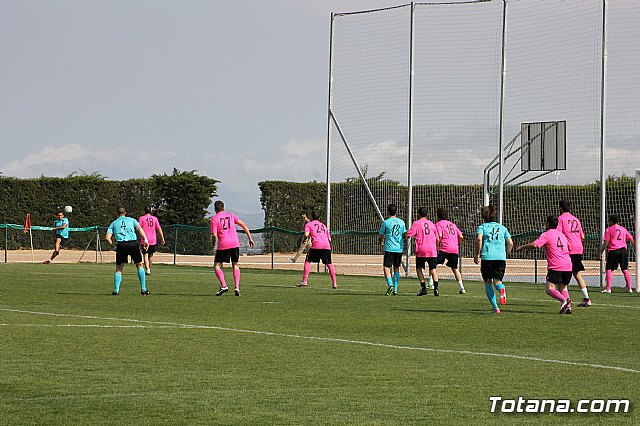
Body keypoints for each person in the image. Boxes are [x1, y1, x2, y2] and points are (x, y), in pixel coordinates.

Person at [516, 215, 573, 314]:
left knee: (550, 289)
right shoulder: (562, 235)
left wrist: (522, 247)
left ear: (547, 224)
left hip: (556, 266)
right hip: (568, 265)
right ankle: (568, 307)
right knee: (563, 287)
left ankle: (564, 301)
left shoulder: (547, 234)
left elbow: (535, 245)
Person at [210, 200, 255, 296]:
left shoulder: (214, 219)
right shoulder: (230, 215)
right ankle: (237, 287)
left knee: (217, 265)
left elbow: (214, 235)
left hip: (223, 244)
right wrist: (250, 238)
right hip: (235, 243)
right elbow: (244, 225)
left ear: (215, 209)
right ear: (223, 208)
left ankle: (223, 285)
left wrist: (213, 244)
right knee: (235, 264)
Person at [474, 205, 513, 314]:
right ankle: (501, 289)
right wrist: (507, 253)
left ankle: (495, 308)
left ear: (483, 217)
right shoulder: (502, 228)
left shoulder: (482, 227)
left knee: (487, 282)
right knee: (497, 281)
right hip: (500, 258)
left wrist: (477, 254)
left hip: (487, 257)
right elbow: (510, 242)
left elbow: (478, 239)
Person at [105, 205, 150, 296]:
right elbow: (139, 229)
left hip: (121, 245)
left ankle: (116, 290)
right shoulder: (132, 220)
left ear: (117, 214)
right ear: (125, 213)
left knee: (119, 268)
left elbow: (107, 238)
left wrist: (113, 246)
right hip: (133, 244)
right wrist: (145, 240)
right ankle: (143, 289)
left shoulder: (113, 223)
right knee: (139, 265)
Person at [557, 200, 591, 307]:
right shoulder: (576, 219)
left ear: (560, 209)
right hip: (579, 248)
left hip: (568, 249)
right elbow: (582, 237)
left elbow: (558, 234)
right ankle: (586, 298)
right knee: (577, 274)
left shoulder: (561, 219)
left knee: (563, 277)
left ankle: (566, 300)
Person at [295, 211, 337, 288]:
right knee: (329, 264)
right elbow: (329, 238)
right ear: (319, 218)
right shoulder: (324, 226)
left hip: (316, 246)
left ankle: (304, 281)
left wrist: (304, 239)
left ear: (312, 217)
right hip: (326, 246)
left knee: (308, 261)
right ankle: (334, 282)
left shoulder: (309, 224)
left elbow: (306, 234)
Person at [407, 207, 439, 296]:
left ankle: (423, 288)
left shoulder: (417, 223)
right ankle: (436, 289)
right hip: (432, 249)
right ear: (427, 214)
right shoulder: (432, 224)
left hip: (421, 249)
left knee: (419, 268)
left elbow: (409, 234)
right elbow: (437, 238)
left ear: (418, 214)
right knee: (433, 269)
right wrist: (436, 247)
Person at [599, 214, 636, 293]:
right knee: (625, 269)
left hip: (613, 250)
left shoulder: (608, 230)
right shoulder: (623, 229)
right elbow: (631, 238)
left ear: (611, 221)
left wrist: (601, 251)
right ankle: (629, 288)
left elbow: (606, 242)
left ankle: (608, 288)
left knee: (609, 269)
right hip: (623, 250)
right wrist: (636, 247)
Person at [435, 207, 465, 294]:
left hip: (444, 248)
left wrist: (436, 247)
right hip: (454, 249)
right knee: (455, 268)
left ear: (438, 216)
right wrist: (457, 243)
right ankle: (462, 288)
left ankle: (431, 284)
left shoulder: (438, 224)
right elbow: (461, 236)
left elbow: (440, 235)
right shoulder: (453, 224)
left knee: (433, 265)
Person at [378, 203, 406, 296]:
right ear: (396, 212)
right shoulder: (402, 222)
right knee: (396, 267)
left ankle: (390, 285)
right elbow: (404, 235)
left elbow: (381, 235)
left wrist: (380, 241)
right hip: (399, 248)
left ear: (388, 212)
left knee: (386, 267)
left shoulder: (386, 222)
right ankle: (396, 289)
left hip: (389, 248)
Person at [138, 206, 165, 275]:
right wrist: (162, 238)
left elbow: (139, 228)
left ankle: (147, 269)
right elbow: (159, 229)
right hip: (153, 239)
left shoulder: (142, 218)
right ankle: (149, 269)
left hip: (145, 239)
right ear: (150, 211)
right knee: (151, 255)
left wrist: (138, 236)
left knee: (145, 254)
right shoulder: (155, 219)